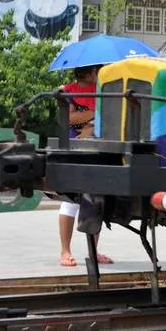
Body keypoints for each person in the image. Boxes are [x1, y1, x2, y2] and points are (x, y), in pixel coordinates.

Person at [59, 65, 113, 267]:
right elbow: (69, 118)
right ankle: (65, 251)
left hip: (98, 148)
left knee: (95, 202)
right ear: (90, 73)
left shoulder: (105, 91)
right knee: (71, 201)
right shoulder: (69, 91)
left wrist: (90, 123)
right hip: (76, 148)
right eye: (98, 70)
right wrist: (92, 113)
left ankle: (93, 250)